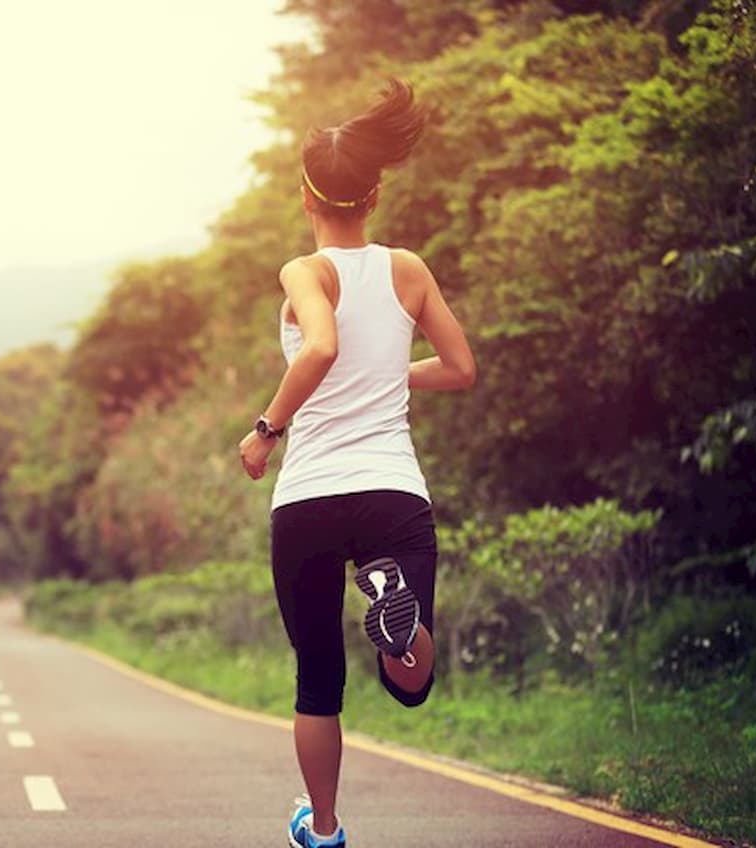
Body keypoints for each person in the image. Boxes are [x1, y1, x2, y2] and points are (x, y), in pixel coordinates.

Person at [237, 78, 476, 848]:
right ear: (373, 195)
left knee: (318, 684)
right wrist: (391, 375)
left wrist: (267, 429)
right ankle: (396, 619)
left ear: (306, 200)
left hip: (308, 496)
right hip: (391, 490)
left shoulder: (305, 273)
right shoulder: (408, 268)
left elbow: (322, 346)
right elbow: (461, 367)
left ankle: (327, 830)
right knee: (409, 684)